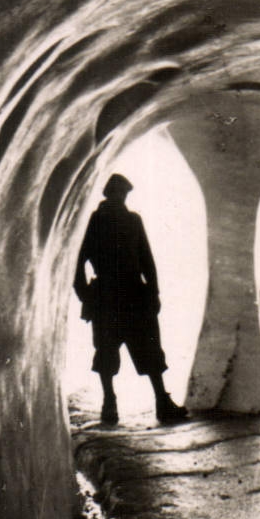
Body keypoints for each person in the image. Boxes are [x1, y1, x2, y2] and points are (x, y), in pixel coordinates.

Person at [74, 174, 188, 424]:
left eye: (123, 194)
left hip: (135, 295)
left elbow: (147, 260)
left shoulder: (133, 220)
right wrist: (86, 296)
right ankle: (109, 403)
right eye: (116, 193)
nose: (120, 197)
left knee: (150, 351)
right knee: (106, 353)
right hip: (107, 297)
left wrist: (154, 293)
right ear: (108, 194)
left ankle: (162, 401)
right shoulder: (96, 221)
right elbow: (79, 261)